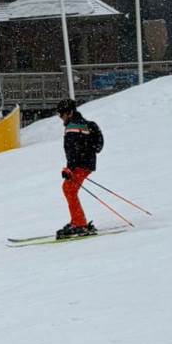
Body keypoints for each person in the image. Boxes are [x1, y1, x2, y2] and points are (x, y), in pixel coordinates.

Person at [55, 98, 104, 239]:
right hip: (87, 163)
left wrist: (69, 169)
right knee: (70, 189)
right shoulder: (83, 124)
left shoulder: (73, 127)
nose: (60, 118)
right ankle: (77, 221)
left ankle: (79, 224)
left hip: (81, 164)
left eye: (62, 114)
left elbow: (73, 151)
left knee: (69, 188)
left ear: (69, 113)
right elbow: (91, 147)